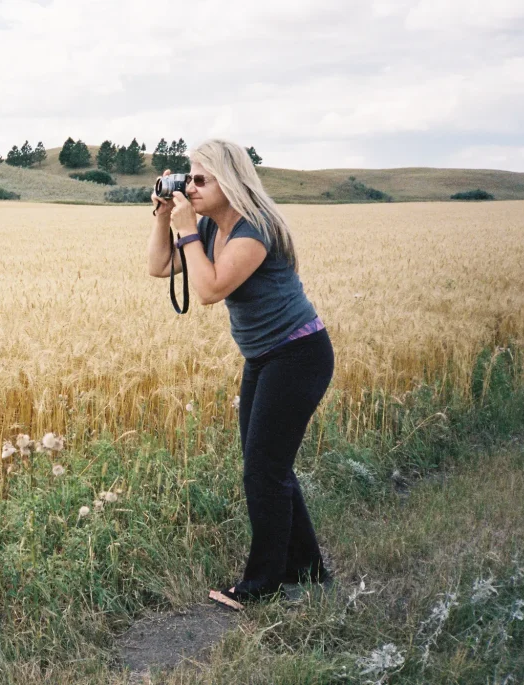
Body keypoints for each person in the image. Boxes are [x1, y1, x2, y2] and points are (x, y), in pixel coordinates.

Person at [147, 139, 335, 611]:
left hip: (299, 354)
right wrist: (163, 219)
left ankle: (262, 583)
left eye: (200, 179)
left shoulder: (255, 230)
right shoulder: (210, 227)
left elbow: (208, 290)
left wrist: (188, 229)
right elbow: (160, 267)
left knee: (262, 472)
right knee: (270, 467)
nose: (190, 186)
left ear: (230, 183)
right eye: (187, 178)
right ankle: (308, 570)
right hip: (264, 358)